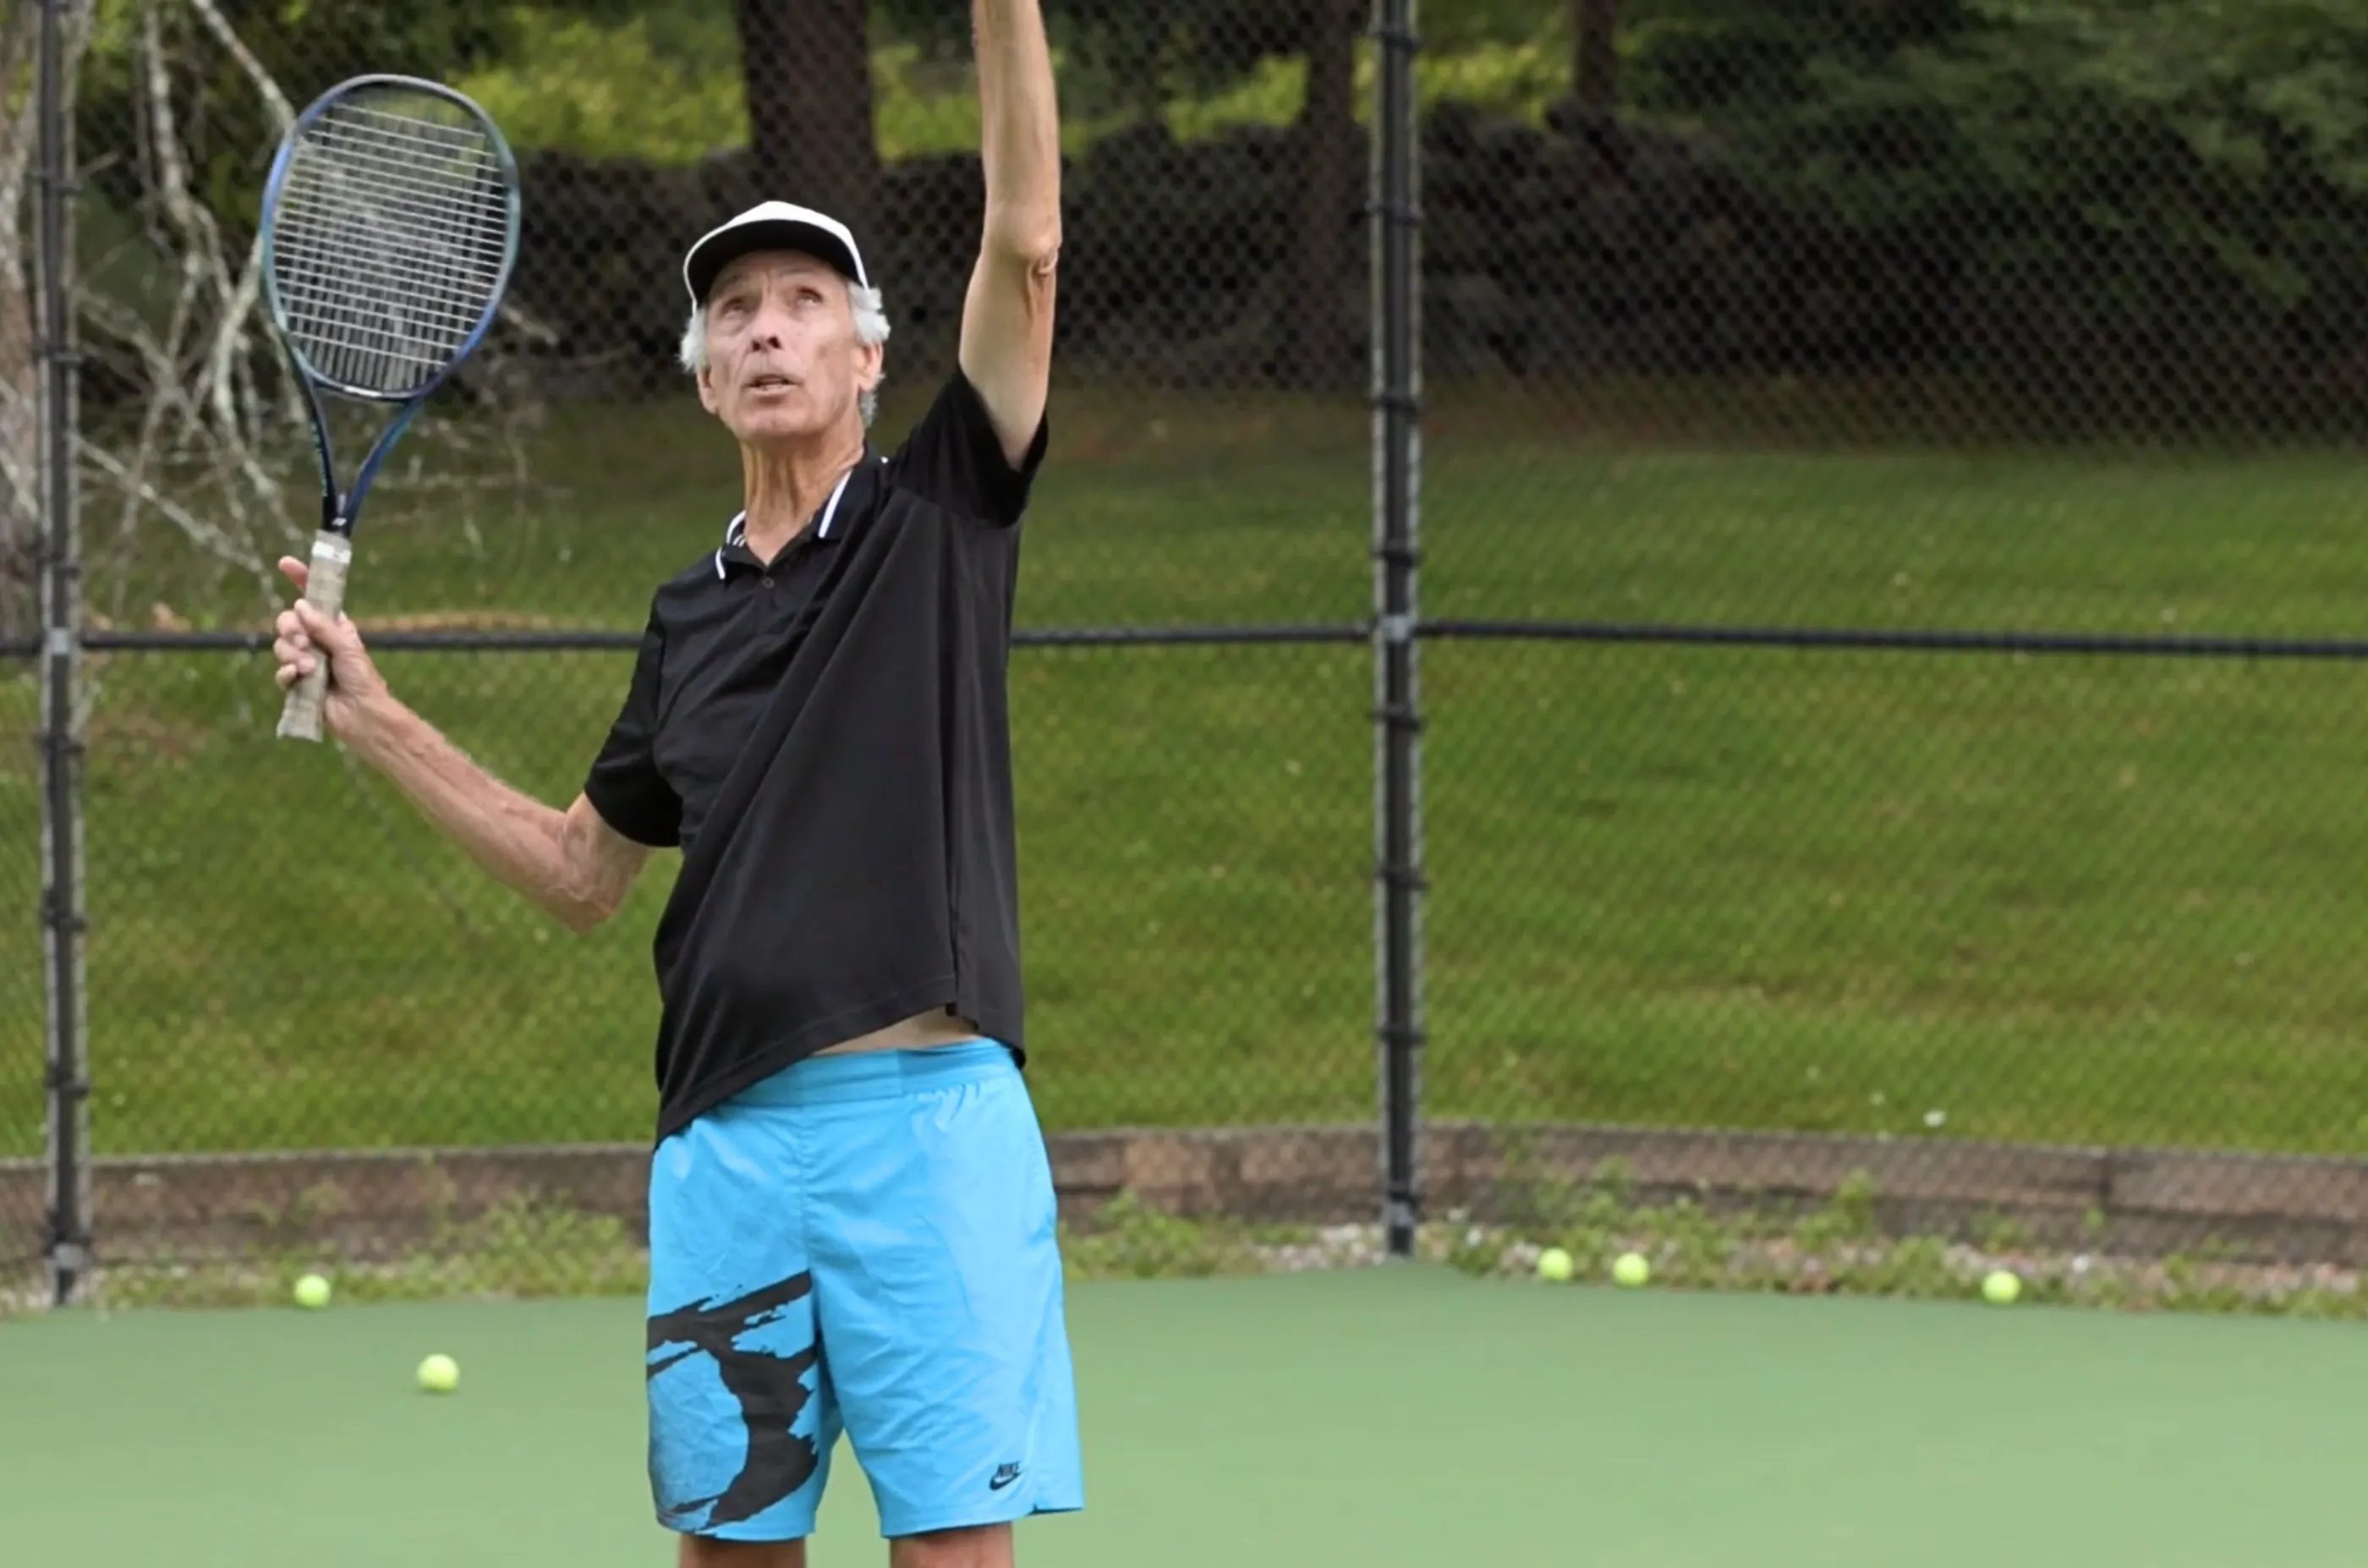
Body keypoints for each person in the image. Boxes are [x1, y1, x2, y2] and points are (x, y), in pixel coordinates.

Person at [267, 4, 1077, 1565]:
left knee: (958, 1556)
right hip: (727, 1151)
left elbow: (1027, 239)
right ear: (707, 380)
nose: (767, 328)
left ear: (870, 354)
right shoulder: (687, 620)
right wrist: (372, 716)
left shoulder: (942, 519)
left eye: (803, 301)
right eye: (736, 314)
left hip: (931, 1134)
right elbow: (579, 871)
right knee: (726, 1554)